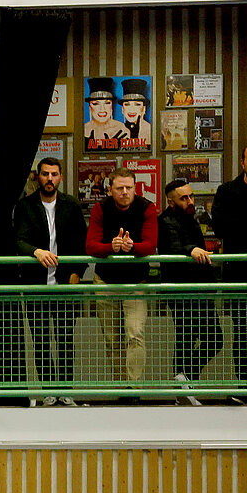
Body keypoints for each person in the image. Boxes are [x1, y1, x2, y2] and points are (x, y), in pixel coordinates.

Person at [8, 156, 88, 402]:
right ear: (37, 177)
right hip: (35, 285)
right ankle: (48, 392)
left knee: (65, 340)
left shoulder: (71, 205)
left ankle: (65, 392)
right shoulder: (25, 206)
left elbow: (82, 243)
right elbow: (18, 239)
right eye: (45, 174)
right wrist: (36, 251)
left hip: (66, 283)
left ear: (61, 177)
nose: (49, 179)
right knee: (41, 341)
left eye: (54, 174)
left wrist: (77, 273)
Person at [85, 168, 158, 393]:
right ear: (110, 190)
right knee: (111, 339)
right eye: (119, 188)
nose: (124, 192)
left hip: (136, 282)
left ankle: (133, 387)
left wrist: (131, 246)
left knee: (135, 334)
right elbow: (91, 246)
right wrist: (112, 247)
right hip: (105, 281)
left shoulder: (147, 207)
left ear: (135, 188)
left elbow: (150, 245)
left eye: (128, 188)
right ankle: (119, 386)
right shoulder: (101, 208)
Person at [210, 144, 247, 401]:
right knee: (244, 332)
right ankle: (244, 387)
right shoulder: (227, 191)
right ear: (242, 163)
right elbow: (223, 229)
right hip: (239, 273)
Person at [156, 176, 223, 402]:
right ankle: (182, 386)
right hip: (181, 289)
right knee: (187, 335)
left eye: (191, 195)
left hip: (200, 288)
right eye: (183, 198)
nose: (190, 200)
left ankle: (183, 379)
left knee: (214, 338)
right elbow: (172, 246)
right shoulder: (165, 220)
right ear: (171, 201)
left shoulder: (191, 217)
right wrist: (190, 249)